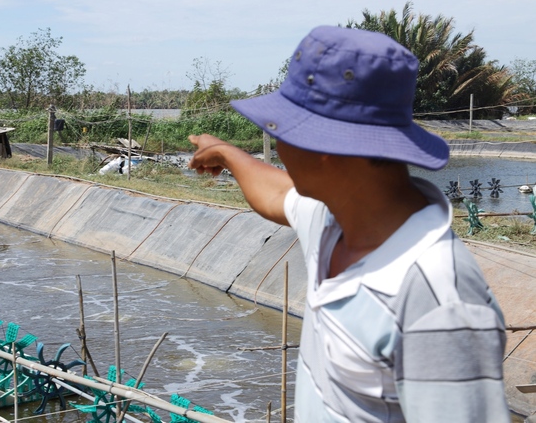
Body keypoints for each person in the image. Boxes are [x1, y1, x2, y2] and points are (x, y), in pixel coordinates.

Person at [188, 25, 509, 422]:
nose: (276, 145)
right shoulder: (336, 219)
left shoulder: (438, 299)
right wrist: (226, 154)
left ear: (323, 146)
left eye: (278, 130)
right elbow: (273, 192)